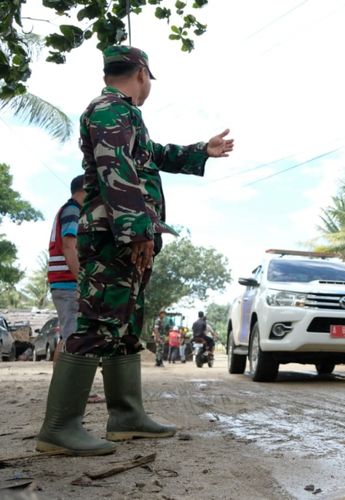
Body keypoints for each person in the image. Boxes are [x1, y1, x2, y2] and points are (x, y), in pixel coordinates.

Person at [36, 45, 234, 457]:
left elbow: (151, 155)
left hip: (121, 238)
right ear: (142, 72)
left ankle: (126, 417)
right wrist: (138, 231)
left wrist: (202, 150)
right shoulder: (110, 110)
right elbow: (116, 171)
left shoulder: (125, 115)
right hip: (114, 237)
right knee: (95, 326)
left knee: (124, 327)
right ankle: (59, 428)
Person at [47, 175, 104, 404]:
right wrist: (81, 279)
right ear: (86, 189)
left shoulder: (66, 210)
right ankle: (70, 391)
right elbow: (69, 244)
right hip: (68, 283)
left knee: (68, 335)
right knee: (73, 336)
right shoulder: (72, 211)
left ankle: (62, 388)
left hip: (62, 282)